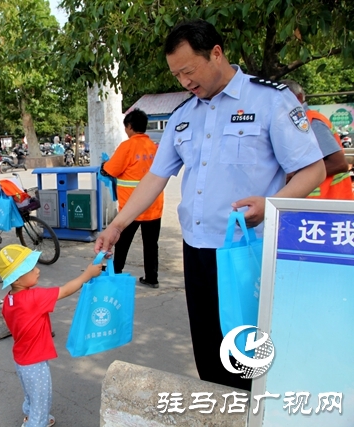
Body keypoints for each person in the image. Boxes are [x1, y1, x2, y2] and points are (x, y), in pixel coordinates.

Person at [94, 20, 325, 391]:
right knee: (210, 351)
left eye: (189, 70)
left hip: (248, 250)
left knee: (252, 355)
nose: (184, 82)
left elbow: (312, 169)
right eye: (177, 74)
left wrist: (271, 204)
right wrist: (118, 224)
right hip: (198, 248)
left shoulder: (269, 100)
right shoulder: (184, 116)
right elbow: (156, 177)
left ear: (216, 53)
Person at [0, 244, 102, 427]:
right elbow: (66, 290)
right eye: (31, 269)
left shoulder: (9, 300)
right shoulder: (34, 298)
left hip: (21, 358)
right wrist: (88, 274)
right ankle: (36, 422)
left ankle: (30, 416)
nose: (37, 270)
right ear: (18, 279)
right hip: (35, 361)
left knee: (31, 394)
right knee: (41, 400)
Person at [102, 109, 164, 287]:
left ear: (129, 126)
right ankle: (152, 278)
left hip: (132, 208)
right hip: (154, 205)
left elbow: (111, 170)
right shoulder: (154, 147)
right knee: (151, 245)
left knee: (121, 242)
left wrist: (103, 165)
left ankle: (116, 271)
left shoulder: (127, 146)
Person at [282, 80, 352, 200]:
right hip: (319, 203)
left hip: (329, 201)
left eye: (284, 99)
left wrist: (295, 175)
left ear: (298, 98)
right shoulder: (297, 122)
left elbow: (340, 164)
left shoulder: (312, 122)